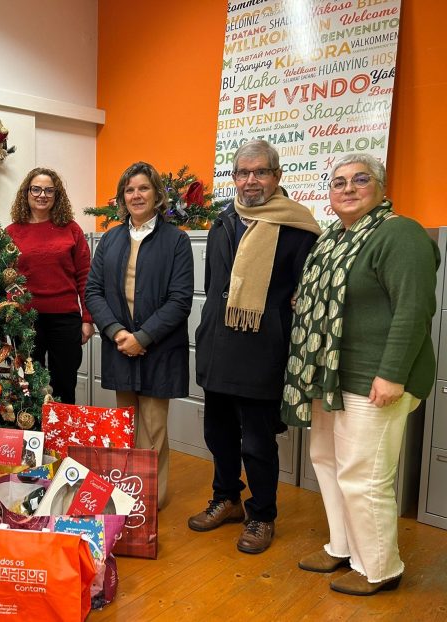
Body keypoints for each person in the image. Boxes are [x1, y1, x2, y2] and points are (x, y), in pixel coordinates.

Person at [282, 154, 439, 595]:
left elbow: (413, 309)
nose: (347, 188)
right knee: (327, 463)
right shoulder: (334, 238)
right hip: (330, 374)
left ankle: (380, 568)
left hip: (376, 378)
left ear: (382, 187)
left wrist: (392, 374)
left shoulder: (399, 234)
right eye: (338, 182)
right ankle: (342, 546)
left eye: (360, 179)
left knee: (365, 474)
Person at [190, 139, 321, 553]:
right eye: (243, 173)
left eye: (260, 172)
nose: (251, 181)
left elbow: (303, 301)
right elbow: (215, 288)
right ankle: (226, 497)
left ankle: (262, 514)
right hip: (218, 347)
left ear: (277, 176)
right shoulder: (225, 221)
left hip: (264, 352)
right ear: (235, 178)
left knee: (258, 443)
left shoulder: (299, 229)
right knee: (218, 433)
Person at [86, 161, 193, 509]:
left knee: (154, 428)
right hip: (119, 345)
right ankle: (125, 491)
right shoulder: (111, 239)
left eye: (143, 188)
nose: (136, 195)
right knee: (125, 425)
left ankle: (149, 499)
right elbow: (94, 292)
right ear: (122, 198)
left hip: (158, 347)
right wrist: (118, 333)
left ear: (157, 194)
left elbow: (180, 300)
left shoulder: (176, 240)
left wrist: (142, 337)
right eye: (130, 190)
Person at [6, 167, 94, 404]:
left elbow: (85, 276)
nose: (42, 195)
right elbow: (4, 278)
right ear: (27, 193)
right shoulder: (12, 232)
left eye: (48, 190)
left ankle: (61, 438)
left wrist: (87, 319)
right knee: (28, 386)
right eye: (36, 189)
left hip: (65, 320)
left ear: (57, 195)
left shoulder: (71, 229)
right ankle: (33, 439)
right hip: (25, 320)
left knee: (64, 384)